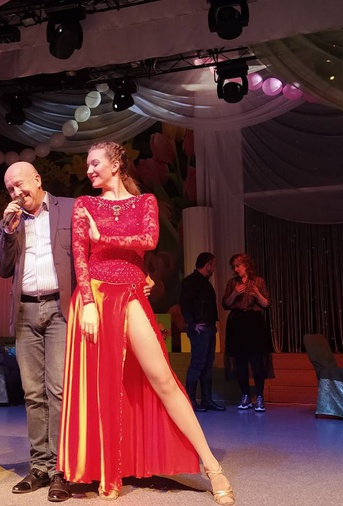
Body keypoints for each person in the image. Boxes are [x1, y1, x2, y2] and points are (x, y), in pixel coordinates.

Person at [59, 141, 234, 504]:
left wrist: (103, 236)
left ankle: (212, 465)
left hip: (130, 293)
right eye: (88, 165)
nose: (89, 170)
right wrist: (87, 303)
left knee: (163, 379)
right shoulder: (84, 205)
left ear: (115, 165)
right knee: (102, 387)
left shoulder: (146, 203)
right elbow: (80, 258)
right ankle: (107, 470)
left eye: (95, 163)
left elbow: (149, 239)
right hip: (94, 297)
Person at [0, 161, 75, 501]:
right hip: (25, 311)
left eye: (20, 184)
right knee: (32, 393)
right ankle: (39, 466)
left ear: (37, 180)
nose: (16, 192)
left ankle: (60, 470)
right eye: (10, 188)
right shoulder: (11, 222)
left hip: (60, 309)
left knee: (57, 390)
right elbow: (1, 268)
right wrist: (7, 232)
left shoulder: (69, 208)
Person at [222, 253, 271, 413]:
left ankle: (260, 397)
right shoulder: (232, 283)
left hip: (254, 323)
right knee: (240, 363)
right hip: (237, 323)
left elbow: (266, 304)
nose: (236, 269)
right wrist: (234, 293)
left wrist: (257, 294)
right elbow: (225, 304)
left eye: (238, 265)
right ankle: (245, 395)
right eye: (234, 266)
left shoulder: (259, 281)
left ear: (246, 265)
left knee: (257, 362)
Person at [179, 252, 224, 412]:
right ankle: (191, 400)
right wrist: (192, 324)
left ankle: (207, 399)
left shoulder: (205, 283)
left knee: (207, 365)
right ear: (208, 265)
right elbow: (185, 304)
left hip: (208, 327)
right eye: (213, 265)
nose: (214, 268)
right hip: (200, 328)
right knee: (198, 364)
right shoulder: (191, 282)